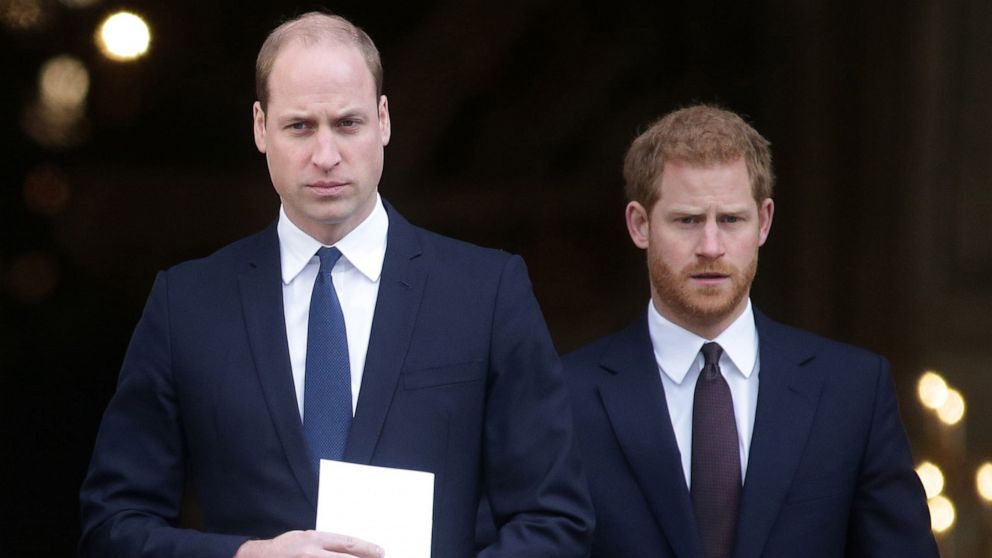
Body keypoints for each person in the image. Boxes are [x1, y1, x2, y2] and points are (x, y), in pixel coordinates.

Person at [79, 12, 592, 558]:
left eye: (347, 123)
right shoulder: (187, 305)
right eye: (300, 126)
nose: (325, 155)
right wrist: (245, 556)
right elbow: (113, 525)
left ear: (384, 120)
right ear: (259, 126)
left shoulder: (486, 292)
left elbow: (553, 518)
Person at [563, 105, 938, 558]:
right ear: (640, 224)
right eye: (687, 221)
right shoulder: (564, 397)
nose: (710, 247)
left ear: (764, 221)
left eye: (731, 220)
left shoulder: (852, 392)